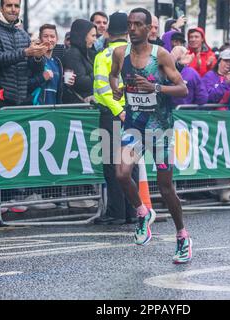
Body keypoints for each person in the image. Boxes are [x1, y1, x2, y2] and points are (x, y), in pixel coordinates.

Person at [109, 8, 192, 264]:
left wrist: (155, 87)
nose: (132, 28)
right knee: (122, 174)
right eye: (130, 25)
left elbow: (182, 89)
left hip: (160, 129)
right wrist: (117, 90)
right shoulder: (120, 53)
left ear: (148, 29)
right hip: (134, 126)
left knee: (166, 188)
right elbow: (113, 76)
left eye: (137, 25)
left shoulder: (161, 55)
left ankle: (182, 236)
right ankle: (143, 212)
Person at [93, 11, 138, 225]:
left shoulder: (103, 56)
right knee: (131, 164)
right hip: (135, 114)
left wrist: (117, 111)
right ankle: (133, 211)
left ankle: (116, 212)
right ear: (128, 34)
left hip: (112, 115)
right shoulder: (137, 53)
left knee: (112, 164)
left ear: (109, 33)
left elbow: (103, 89)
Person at [0, 0, 48, 107]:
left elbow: (35, 69)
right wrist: (25, 52)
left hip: (23, 100)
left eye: (16, 6)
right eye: (9, 5)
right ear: (1, 8)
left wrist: (38, 57)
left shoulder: (23, 34)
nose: (13, 9)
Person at [62, 19, 96, 104]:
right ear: (83, 35)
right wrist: (98, 72)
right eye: (93, 36)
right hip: (77, 105)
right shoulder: (73, 53)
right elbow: (81, 82)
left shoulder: (86, 52)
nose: (95, 39)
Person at [29, 24, 64, 106]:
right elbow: (24, 86)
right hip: (37, 111)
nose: (49, 39)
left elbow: (58, 92)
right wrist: (42, 78)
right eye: (45, 36)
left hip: (54, 112)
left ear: (57, 39)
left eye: (52, 36)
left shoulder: (57, 62)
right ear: (40, 39)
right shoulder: (34, 59)